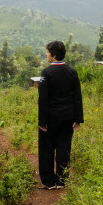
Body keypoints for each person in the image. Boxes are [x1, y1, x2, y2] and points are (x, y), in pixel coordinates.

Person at [37, 40, 83, 189]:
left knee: (47, 148)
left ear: (54, 55)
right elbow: (77, 97)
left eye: (48, 52)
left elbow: (43, 99)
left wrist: (42, 121)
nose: (46, 54)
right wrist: (78, 119)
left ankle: (49, 182)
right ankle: (62, 181)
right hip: (68, 117)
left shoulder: (46, 73)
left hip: (50, 118)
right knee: (64, 148)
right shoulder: (72, 72)